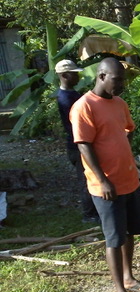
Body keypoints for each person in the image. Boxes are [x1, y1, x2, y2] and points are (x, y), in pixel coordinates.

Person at [70, 57, 140, 292]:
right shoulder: (84, 106)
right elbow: (83, 144)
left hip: (129, 179)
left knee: (130, 233)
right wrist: (103, 179)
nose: (121, 85)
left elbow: (127, 129)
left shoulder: (119, 104)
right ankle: (120, 291)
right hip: (106, 185)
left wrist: (120, 150)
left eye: (123, 80)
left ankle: (129, 276)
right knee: (114, 238)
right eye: (117, 80)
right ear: (102, 76)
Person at [55, 59, 99, 223]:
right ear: (65, 75)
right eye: (74, 74)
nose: (78, 76)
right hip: (78, 146)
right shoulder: (66, 98)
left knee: (90, 177)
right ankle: (89, 215)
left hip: (79, 144)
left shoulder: (71, 94)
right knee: (87, 179)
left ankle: (94, 212)